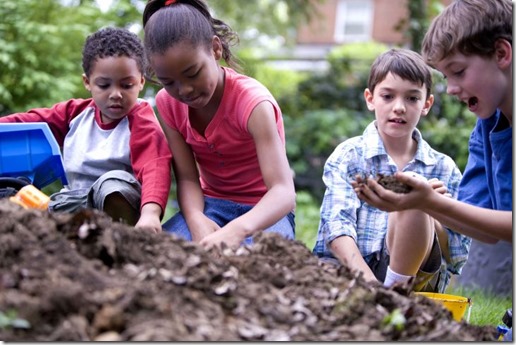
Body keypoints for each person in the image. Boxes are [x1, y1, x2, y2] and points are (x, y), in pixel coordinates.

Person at [353, 0, 512, 244]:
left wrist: (430, 202)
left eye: (458, 71)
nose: (449, 89)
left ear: (502, 53)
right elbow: (486, 229)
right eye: (446, 76)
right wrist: (424, 202)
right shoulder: (486, 126)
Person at [141, 0, 296, 249]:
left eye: (193, 73)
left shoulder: (253, 104)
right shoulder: (167, 103)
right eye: (168, 81)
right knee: (157, 254)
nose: (184, 90)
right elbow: (189, 179)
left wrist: (237, 230)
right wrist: (195, 219)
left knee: (256, 265)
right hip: (210, 207)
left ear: (215, 49)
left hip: (264, 213)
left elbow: (282, 191)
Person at [314, 48, 471, 293]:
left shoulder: (443, 168)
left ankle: (394, 294)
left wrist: (434, 207)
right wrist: (372, 287)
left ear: (426, 104)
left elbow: (457, 254)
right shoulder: (350, 155)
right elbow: (336, 229)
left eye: (412, 98)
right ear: (370, 99)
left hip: (414, 279)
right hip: (351, 270)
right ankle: (386, 298)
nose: (399, 107)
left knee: (416, 191)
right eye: (388, 96)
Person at [0, 27, 172, 234]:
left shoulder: (141, 120)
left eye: (126, 85)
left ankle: (118, 229)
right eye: (104, 85)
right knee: (22, 198)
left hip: (118, 197)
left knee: (112, 183)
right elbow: (29, 122)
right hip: (73, 201)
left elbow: (155, 166)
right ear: (88, 83)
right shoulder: (76, 113)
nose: (116, 94)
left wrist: (150, 214)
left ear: (141, 82)